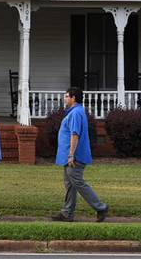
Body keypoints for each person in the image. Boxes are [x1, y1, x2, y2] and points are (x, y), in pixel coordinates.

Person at [51, 87, 108, 222]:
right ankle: (67, 213)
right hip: (69, 156)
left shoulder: (76, 113)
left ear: (73, 98)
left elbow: (74, 134)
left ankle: (100, 207)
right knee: (70, 184)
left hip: (74, 157)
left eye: (66, 96)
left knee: (78, 182)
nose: (64, 99)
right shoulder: (74, 112)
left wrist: (71, 155)